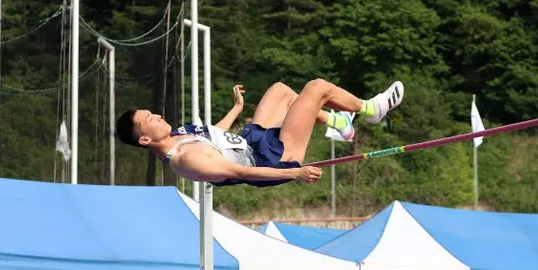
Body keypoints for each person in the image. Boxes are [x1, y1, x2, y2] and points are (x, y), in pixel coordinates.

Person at [116, 78, 404, 187]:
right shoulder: (187, 161)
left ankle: (340, 123)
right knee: (317, 88)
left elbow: (214, 134)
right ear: (144, 139)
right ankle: (371, 109)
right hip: (270, 159)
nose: (157, 116)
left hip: (251, 141)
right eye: (150, 119)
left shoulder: (180, 133)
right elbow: (241, 174)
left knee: (282, 91)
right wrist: (295, 172)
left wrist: (237, 109)